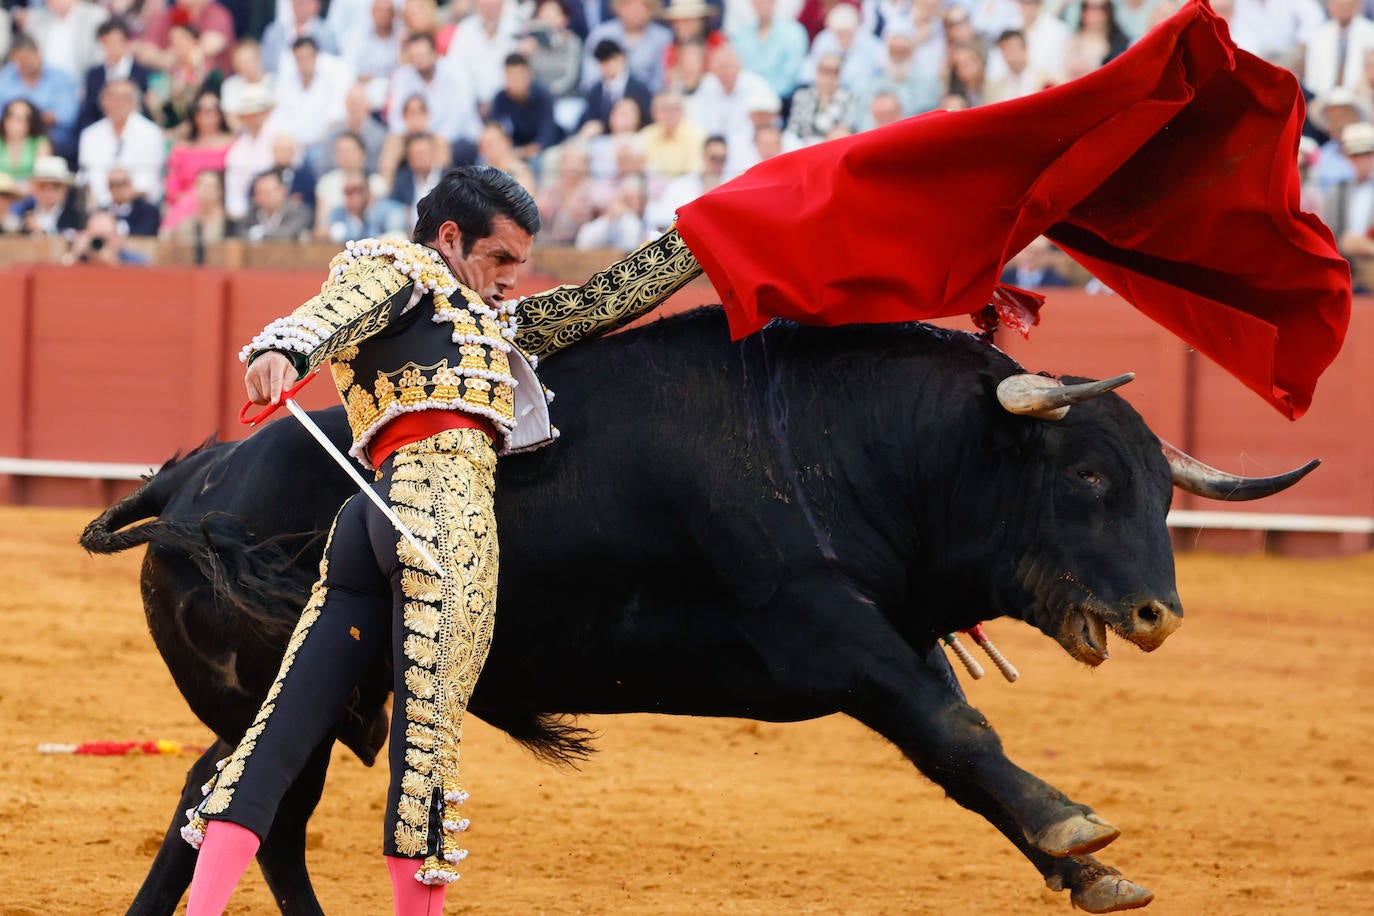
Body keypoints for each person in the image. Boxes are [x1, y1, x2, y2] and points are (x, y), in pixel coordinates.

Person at [181, 164, 704, 915]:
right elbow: (333, 311)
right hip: (440, 525)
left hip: (369, 523)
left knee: (278, 732)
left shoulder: (494, 320)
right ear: (451, 238)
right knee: (424, 756)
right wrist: (286, 352)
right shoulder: (404, 269)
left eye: (520, 267)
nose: (509, 282)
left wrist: (697, 241)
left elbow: (598, 303)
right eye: (499, 261)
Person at [13, 154, 83, 236]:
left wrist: (44, 232)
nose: (49, 191)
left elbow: (72, 237)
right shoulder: (24, 213)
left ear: (65, 189)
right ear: (34, 188)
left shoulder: (76, 216)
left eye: (56, 185)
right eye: (42, 185)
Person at [61, 206, 150, 264]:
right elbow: (61, 274)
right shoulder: (81, 257)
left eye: (105, 238)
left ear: (116, 237)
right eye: (96, 238)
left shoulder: (135, 261)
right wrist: (74, 254)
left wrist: (113, 262)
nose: (100, 243)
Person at [0, 98, 52, 193]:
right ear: (5, 119)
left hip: (30, 197)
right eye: (12, 116)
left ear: (31, 123)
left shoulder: (39, 143)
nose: (16, 123)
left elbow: (43, 177)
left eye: (24, 119)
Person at [104, 165, 162, 236]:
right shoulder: (102, 212)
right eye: (112, 184)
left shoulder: (147, 211)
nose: (117, 188)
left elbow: (145, 234)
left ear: (130, 184)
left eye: (122, 183)